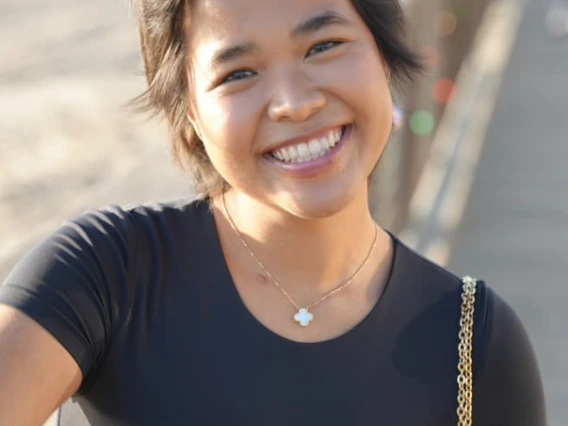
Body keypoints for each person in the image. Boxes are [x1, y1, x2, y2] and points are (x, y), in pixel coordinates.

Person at [0, 0, 546, 424]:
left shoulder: (472, 339)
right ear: (188, 112)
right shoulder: (106, 276)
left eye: (324, 45)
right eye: (238, 74)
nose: (294, 102)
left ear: (383, 52)